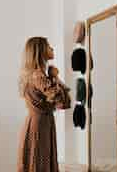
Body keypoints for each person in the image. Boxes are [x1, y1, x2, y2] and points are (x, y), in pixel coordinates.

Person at [17, 36, 71, 172]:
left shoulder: (33, 74)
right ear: (40, 51)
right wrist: (55, 76)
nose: (52, 48)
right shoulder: (38, 76)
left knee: (37, 163)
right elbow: (62, 103)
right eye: (48, 45)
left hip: (37, 123)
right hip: (40, 126)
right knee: (39, 164)